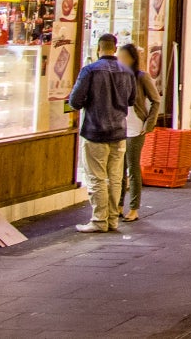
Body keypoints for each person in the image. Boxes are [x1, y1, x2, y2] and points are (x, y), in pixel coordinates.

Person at [67, 33, 135, 232]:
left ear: (99, 48)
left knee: (97, 177)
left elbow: (74, 101)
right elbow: (131, 100)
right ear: (115, 48)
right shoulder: (127, 72)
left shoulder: (89, 70)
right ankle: (112, 219)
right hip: (119, 131)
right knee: (115, 178)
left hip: (95, 130)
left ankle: (99, 220)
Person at [116, 42, 161, 223]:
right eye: (118, 56)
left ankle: (134, 208)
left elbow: (156, 100)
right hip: (118, 127)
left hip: (135, 128)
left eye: (123, 57)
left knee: (132, 168)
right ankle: (118, 205)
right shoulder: (116, 76)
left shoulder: (141, 77)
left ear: (132, 59)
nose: (120, 60)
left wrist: (148, 125)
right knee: (119, 170)